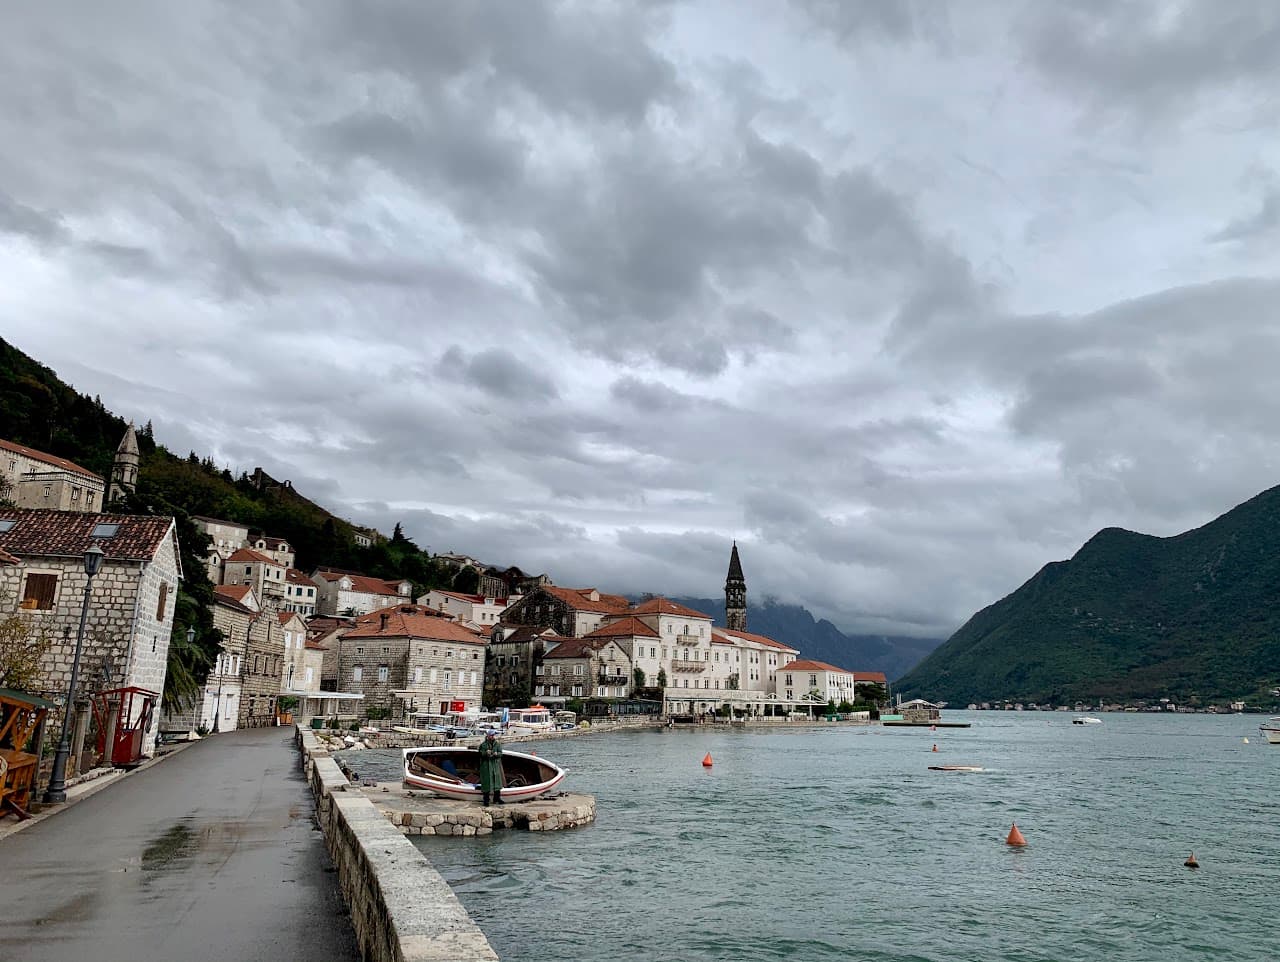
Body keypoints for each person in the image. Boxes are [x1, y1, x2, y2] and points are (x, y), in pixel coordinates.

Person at [477, 731, 505, 806]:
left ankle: (497, 798)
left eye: (493, 735)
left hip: (495, 766)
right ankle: (486, 800)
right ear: (488, 736)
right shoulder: (483, 745)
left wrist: (497, 754)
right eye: (491, 735)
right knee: (486, 783)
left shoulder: (497, 744)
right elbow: (480, 753)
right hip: (486, 766)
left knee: (497, 783)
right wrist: (486, 753)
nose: (492, 736)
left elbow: (501, 753)